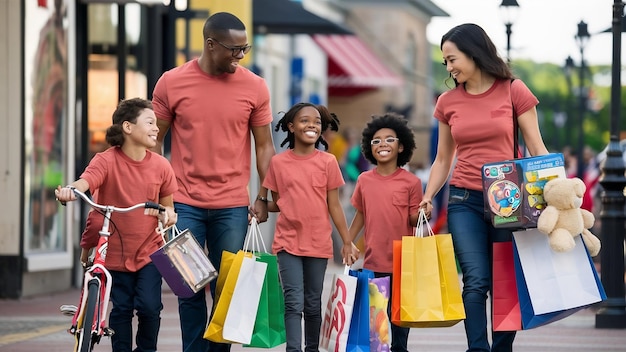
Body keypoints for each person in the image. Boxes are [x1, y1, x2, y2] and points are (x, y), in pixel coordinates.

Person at [151, 11, 276, 352]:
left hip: (233, 205)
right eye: (234, 49)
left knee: (227, 288)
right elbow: (153, 141)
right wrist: (161, 197)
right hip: (183, 204)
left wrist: (265, 195)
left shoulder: (255, 86)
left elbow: (264, 146)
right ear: (210, 44)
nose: (240, 56)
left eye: (244, 49)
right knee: (188, 287)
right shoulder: (171, 82)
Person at [420, 23, 549, 352]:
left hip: (509, 199)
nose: (449, 68)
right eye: (445, 62)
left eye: (453, 59)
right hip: (464, 199)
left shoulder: (513, 90)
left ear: (474, 53)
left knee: (506, 282)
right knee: (475, 280)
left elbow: (536, 147)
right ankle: (477, 348)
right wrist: (428, 196)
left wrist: (556, 189)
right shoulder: (447, 102)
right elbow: (442, 159)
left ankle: (501, 348)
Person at [55, 98, 178, 352]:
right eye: (150, 122)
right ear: (128, 127)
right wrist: (70, 190)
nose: (157, 128)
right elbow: (86, 181)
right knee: (121, 308)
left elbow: (168, 206)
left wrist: (169, 215)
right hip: (115, 255)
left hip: (149, 253)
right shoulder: (106, 160)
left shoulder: (161, 166)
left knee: (149, 307)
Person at [261, 102, 359, 352]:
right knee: (293, 302)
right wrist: (259, 205)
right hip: (287, 242)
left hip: (318, 242)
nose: (312, 125)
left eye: (316, 122)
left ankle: (312, 349)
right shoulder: (278, 164)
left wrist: (347, 241)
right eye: (305, 121)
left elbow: (334, 206)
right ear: (291, 127)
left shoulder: (328, 162)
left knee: (313, 303)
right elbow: (278, 203)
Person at [348, 113, 423, 352]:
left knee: (399, 318)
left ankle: (401, 348)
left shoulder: (411, 183)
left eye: (389, 140)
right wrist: (348, 242)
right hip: (373, 260)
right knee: (376, 324)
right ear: (369, 147)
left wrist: (424, 212)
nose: (382, 144)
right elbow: (360, 214)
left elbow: (413, 219)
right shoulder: (364, 180)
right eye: (376, 140)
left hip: (403, 262)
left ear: (401, 146)